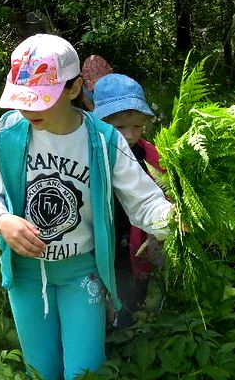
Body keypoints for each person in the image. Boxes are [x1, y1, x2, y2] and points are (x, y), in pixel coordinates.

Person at [0, 34, 175, 380]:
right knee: (40, 368)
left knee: (85, 370)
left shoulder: (102, 140)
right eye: (23, 100)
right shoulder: (7, 132)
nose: (29, 110)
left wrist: (175, 221)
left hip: (81, 274)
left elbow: (144, 201)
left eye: (41, 99)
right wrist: (2, 220)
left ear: (74, 88)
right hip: (25, 276)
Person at [92, 73, 167, 330]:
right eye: (120, 127)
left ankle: (129, 323)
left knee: (132, 275)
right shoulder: (92, 152)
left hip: (136, 231)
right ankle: (103, 324)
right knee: (104, 276)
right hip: (103, 232)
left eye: (136, 126)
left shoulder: (145, 153)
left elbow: (161, 185)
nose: (130, 134)